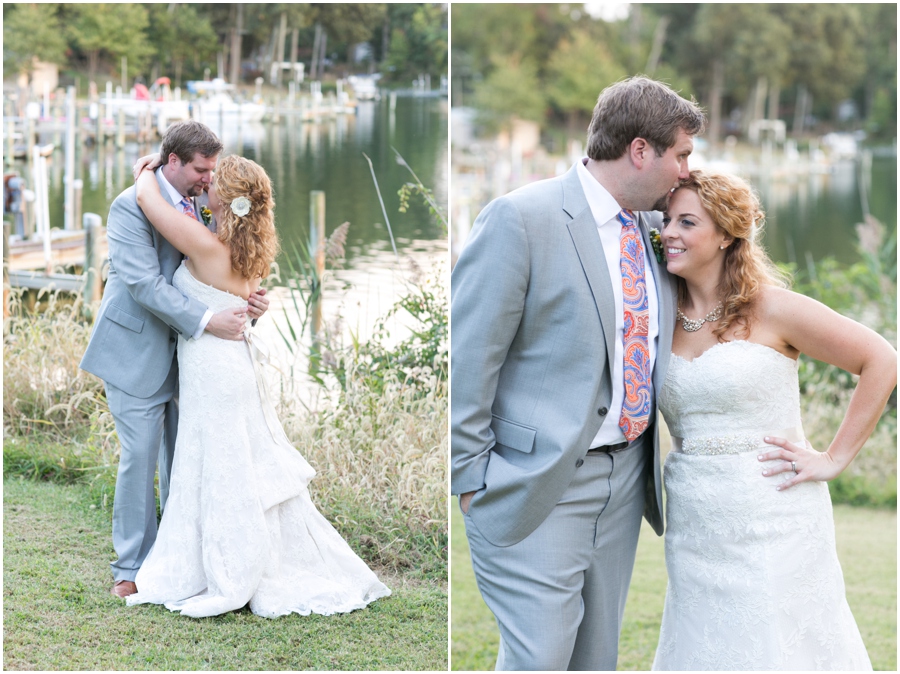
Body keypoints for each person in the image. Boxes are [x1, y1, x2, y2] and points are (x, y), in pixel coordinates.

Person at [450, 76, 705, 670]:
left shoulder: (652, 231)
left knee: (596, 660)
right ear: (641, 150)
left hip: (624, 487)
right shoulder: (520, 219)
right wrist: (470, 482)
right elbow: (470, 356)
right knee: (539, 658)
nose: (687, 173)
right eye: (682, 154)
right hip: (536, 483)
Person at [121, 154, 391, 618]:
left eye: (210, 186)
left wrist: (147, 168)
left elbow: (149, 198)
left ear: (223, 200)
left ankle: (225, 569)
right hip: (234, 368)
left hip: (213, 369)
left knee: (217, 467)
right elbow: (240, 297)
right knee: (230, 466)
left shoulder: (207, 247)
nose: (202, 189)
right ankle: (231, 558)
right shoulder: (252, 253)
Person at [652, 169, 894, 670]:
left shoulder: (772, 307)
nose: (668, 232)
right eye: (666, 220)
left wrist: (834, 457)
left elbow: (881, 360)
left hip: (775, 511)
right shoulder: (657, 315)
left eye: (687, 222)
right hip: (695, 518)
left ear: (724, 235)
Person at [80, 120, 270, 599]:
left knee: (183, 462)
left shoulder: (209, 208)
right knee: (140, 460)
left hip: (193, 362)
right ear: (173, 163)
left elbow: (224, 268)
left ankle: (178, 560)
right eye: (201, 170)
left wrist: (248, 303)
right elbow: (145, 286)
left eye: (212, 171)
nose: (209, 179)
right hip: (137, 353)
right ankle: (129, 568)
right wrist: (209, 319)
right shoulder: (130, 205)